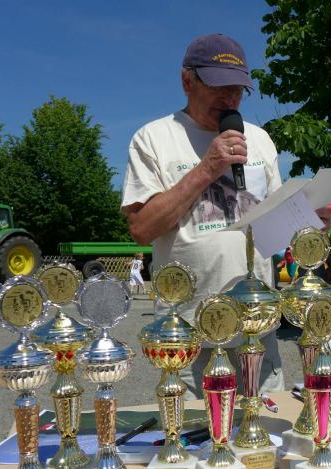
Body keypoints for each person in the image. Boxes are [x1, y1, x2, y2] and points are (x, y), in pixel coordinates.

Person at [121, 34, 285, 398]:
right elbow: (142, 228)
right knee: (194, 434)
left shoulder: (260, 140)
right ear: (187, 81)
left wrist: (302, 218)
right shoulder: (153, 139)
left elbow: (273, 234)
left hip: (258, 329)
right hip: (190, 333)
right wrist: (206, 169)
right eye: (219, 87)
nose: (230, 99)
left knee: (264, 430)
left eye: (237, 90)